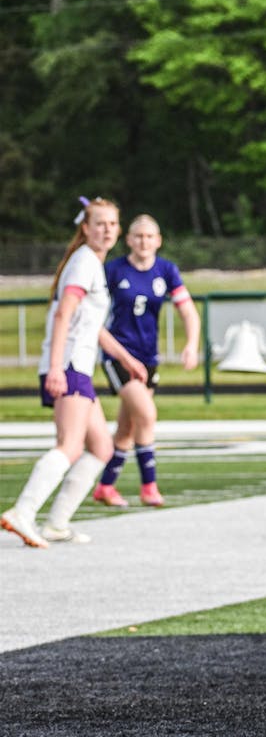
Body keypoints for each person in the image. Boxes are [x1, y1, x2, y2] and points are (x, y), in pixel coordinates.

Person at [1, 197, 147, 548]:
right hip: (69, 365)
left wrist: (125, 358)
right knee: (69, 445)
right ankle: (23, 512)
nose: (107, 230)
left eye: (112, 224)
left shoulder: (91, 263)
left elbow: (92, 325)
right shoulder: (84, 262)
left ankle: (56, 524)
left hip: (77, 365)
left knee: (101, 447)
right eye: (100, 224)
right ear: (86, 228)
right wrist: (56, 368)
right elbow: (63, 314)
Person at [92, 214, 200, 508]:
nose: (144, 242)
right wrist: (115, 351)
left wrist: (191, 344)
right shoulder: (114, 270)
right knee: (147, 415)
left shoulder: (166, 270)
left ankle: (105, 486)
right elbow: (93, 314)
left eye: (149, 236)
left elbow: (188, 311)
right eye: (138, 236)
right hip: (119, 355)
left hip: (148, 357)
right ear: (128, 239)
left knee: (128, 427)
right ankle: (149, 486)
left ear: (158, 240)